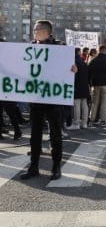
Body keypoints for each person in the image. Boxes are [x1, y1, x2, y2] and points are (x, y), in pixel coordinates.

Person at [20, 20, 77, 181]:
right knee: (35, 135)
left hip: (54, 99)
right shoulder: (30, 47)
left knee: (55, 134)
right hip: (36, 98)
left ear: (46, 31)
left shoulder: (60, 47)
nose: (34, 32)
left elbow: (74, 65)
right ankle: (33, 167)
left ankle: (56, 167)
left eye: (36, 29)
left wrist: (74, 68)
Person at [88, 44, 106, 127]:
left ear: (99, 50)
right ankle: (102, 120)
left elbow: (89, 72)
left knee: (95, 103)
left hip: (95, 84)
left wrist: (90, 83)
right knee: (104, 103)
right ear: (105, 50)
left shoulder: (94, 60)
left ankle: (92, 119)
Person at [66, 48, 90, 130]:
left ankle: (76, 123)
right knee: (84, 104)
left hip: (77, 86)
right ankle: (84, 123)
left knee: (76, 105)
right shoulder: (83, 62)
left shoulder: (73, 62)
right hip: (84, 86)